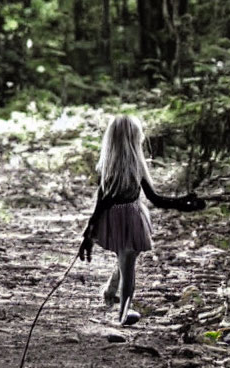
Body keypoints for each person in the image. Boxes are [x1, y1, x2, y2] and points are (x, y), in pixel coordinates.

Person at [79, 115, 205, 325]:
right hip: (124, 219)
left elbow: (154, 199)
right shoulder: (109, 168)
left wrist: (184, 203)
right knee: (128, 261)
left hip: (126, 218)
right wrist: (88, 235)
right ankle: (124, 312)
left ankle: (111, 290)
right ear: (132, 139)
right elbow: (101, 203)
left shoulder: (131, 166)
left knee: (127, 257)